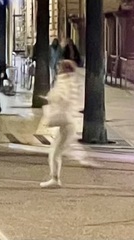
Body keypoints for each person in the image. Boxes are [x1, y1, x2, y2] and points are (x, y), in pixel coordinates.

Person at [41, 60, 85, 188]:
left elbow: (63, 97)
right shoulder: (71, 81)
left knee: (55, 152)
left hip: (66, 122)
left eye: (59, 67)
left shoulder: (64, 81)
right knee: (55, 151)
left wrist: (51, 97)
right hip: (68, 122)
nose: (57, 69)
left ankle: (55, 179)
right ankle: (54, 178)